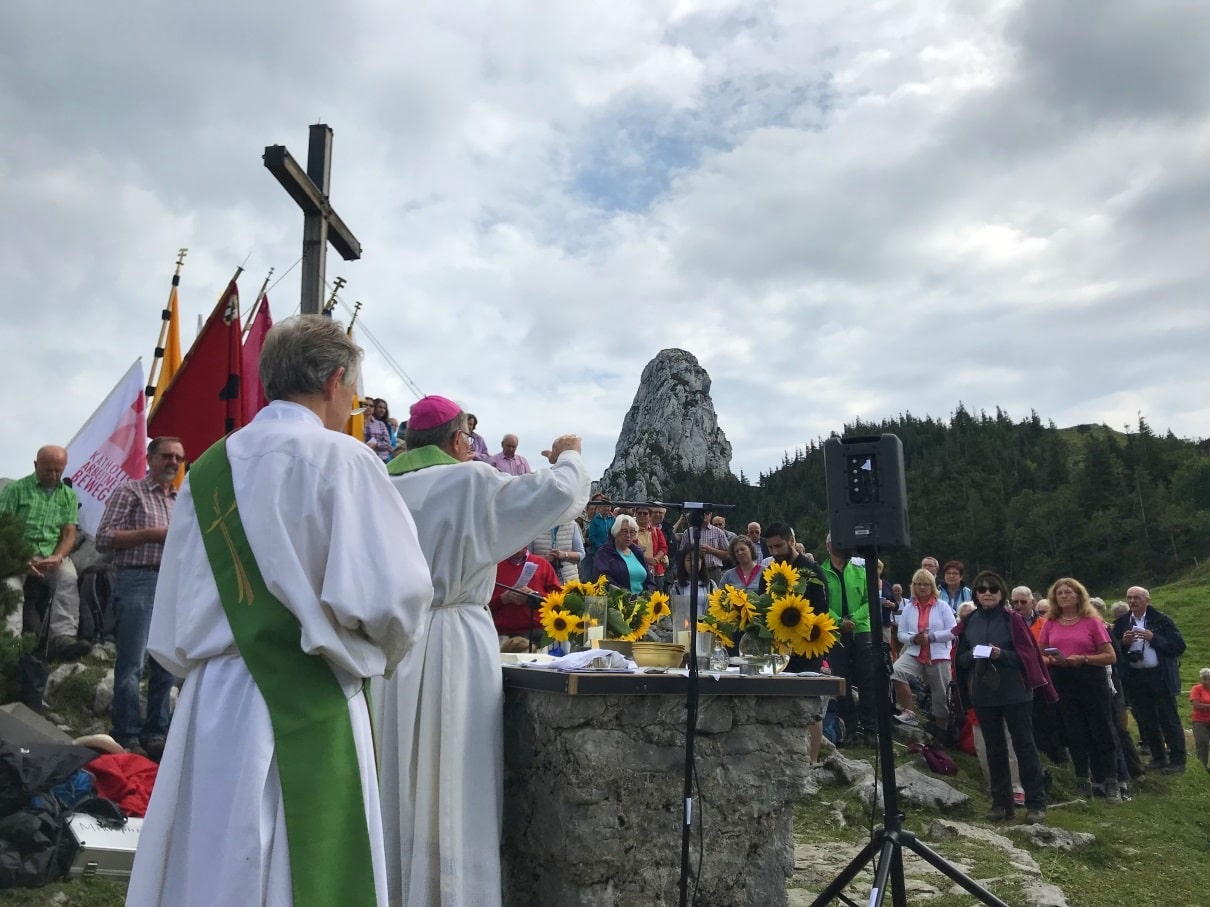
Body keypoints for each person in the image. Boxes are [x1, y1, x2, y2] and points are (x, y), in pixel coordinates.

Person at [128, 315, 434, 907]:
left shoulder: (208, 471)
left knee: (213, 863)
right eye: (354, 388)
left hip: (214, 701)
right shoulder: (343, 460)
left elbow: (171, 615)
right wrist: (373, 651)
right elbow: (396, 596)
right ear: (335, 381)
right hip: (311, 688)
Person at [375, 396, 589, 907]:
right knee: (456, 778)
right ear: (457, 441)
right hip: (455, 638)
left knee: (397, 775)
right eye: (469, 439)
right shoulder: (469, 482)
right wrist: (570, 456)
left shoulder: (379, 486)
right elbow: (556, 495)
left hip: (392, 649)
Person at [95, 436, 186, 758]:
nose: (173, 463)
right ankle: (127, 733)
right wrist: (153, 535)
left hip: (173, 584)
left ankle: (156, 734)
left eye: (178, 458)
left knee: (167, 665)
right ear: (150, 459)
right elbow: (103, 539)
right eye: (166, 456)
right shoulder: (129, 492)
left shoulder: (182, 500)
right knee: (132, 661)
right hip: (138, 580)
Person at [954, 570, 1052, 824]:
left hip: (1015, 692)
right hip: (984, 693)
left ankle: (1035, 803)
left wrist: (1001, 655)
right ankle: (1001, 802)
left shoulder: (1013, 620)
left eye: (993, 589)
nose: (987, 593)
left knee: (1024, 746)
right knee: (993, 748)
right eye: (982, 589)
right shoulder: (970, 621)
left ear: (1001, 593)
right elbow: (960, 659)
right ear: (975, 594)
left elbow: (1028, 657)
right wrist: (975, 654)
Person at [0, 444, 89, 660]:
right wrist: (22, 558)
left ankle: (62, 638)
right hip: (18, 553)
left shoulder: (68, 496)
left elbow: (69, 534)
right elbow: (3, 527)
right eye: (48, 469)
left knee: (68, 578)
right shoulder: (16, 489)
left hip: (52, 554)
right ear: (35, 465)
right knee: (12, 587)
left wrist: (58, 557)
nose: (53, 474)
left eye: (58, 470)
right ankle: (11, 645)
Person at [1039, 578, 1120, 800]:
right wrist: (1053, 661)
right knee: (1074, 730)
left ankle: (1111, 780)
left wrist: (1083, 658)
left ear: (1078, 595)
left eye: (1068, 592)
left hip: (1091, 678)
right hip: (1063, 679)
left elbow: (1110, 656)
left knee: (1101, 728)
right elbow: (1039, 655)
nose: (1064, 596)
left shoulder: (1092, 622)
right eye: (1060, 593)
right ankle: (1083, 779)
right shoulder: (1050, 623)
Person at [1112, 586, 1188, 774]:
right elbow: (1112, 649)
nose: (1132, 601)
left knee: (1168, 718)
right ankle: (1158, 757)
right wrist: (1123, 643)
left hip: (1159, 675)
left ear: (1147, 600)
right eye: (1129, 598)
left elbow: (1178, 646)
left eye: (1136, 598)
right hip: (1135, 675)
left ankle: (1178, 760)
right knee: (1146, 718)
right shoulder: (1122, 622)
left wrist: (1154, 638)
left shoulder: (1161, 620)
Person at [819, 532, 878, 743]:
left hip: (861, 628)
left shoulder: (860, 570)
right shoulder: (821, 572)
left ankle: (871, 729)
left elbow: (869, 598)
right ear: (827, 547)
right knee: (841, 680)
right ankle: (849, 728)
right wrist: (838, 622)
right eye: (835, 543)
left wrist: (853, 619)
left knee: (868, 679)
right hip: (835, 633)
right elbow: (820, 603)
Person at [892, 569, 956, 731]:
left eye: (925, 584)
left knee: (940, 695)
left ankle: (943, 730)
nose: (922, 587)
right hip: (915, 652)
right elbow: (901, 634)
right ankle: (909, 712)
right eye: (918, 584)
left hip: (938, 655)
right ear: (913, 586)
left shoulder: (942, 607)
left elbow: (953, 631)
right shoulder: (908, 608)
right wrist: (913, 639)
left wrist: (932, 637)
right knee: (895, 671)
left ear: (932, 586)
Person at [490, 549, 562, 647]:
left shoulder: (542, 564)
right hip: (501, 635)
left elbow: (559, 598)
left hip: (536, 633)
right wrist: (502, 599)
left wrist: (534, 596)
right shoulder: (494, 567)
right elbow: (480, 602)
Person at [593, 514, 655, 593]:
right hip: (618, 601)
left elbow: (650, 581)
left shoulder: (638, 552)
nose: (628, 535)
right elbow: (604, 580)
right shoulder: (604, 553)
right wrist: (628, 596)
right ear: (616, 532)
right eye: (624, 531)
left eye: (632, 532)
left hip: (643, 602)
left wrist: (647, 595)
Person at [529, 519, 585, 585]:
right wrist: (543, 559)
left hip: (569, 580)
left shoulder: (572, 524)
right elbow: (526, 556)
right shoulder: (534, 526)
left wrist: (564, 555)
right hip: (541, 579)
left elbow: (581, 554)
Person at [1192, 667, 1210, 771]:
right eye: (1204, 679)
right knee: (1202, 742)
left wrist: (1206, 706)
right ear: (1201, 679)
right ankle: (1201, 768)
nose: (1207, 681)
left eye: (1209, 679)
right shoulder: (1196, 689)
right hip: (1200, 720)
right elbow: (1196, 705)